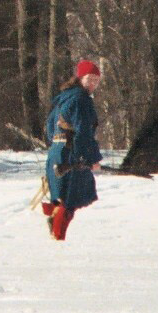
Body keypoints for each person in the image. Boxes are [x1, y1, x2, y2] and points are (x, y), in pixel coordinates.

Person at [41, 60, 104, 241]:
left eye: (96, 80)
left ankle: (53, 219)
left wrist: (57, 147)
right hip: (70, 155)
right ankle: (58, 239)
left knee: (61, 198)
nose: (93, 83)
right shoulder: (81, 99)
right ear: (80, 78)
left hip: (56, 153)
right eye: (89, 79)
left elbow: (50, 128)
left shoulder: (64, 97)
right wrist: (92, 158)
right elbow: (83, 132)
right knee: (71, 199)